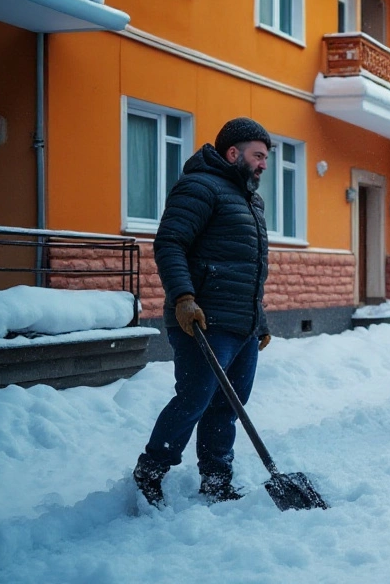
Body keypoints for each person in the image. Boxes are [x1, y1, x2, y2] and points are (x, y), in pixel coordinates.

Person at [133, 117, 274, 508]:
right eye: (258, 155)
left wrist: (257, 319)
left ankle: (216, 480)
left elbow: (248, 267)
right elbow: (170, 242)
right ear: (233, 153)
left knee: (228, 405)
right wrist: (182, 297)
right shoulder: (200, 186)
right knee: (194, 399)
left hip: (240, 325)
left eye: (266, 157)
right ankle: (150, 471)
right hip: (202, 321)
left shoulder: (250, 199)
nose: (264, 164)